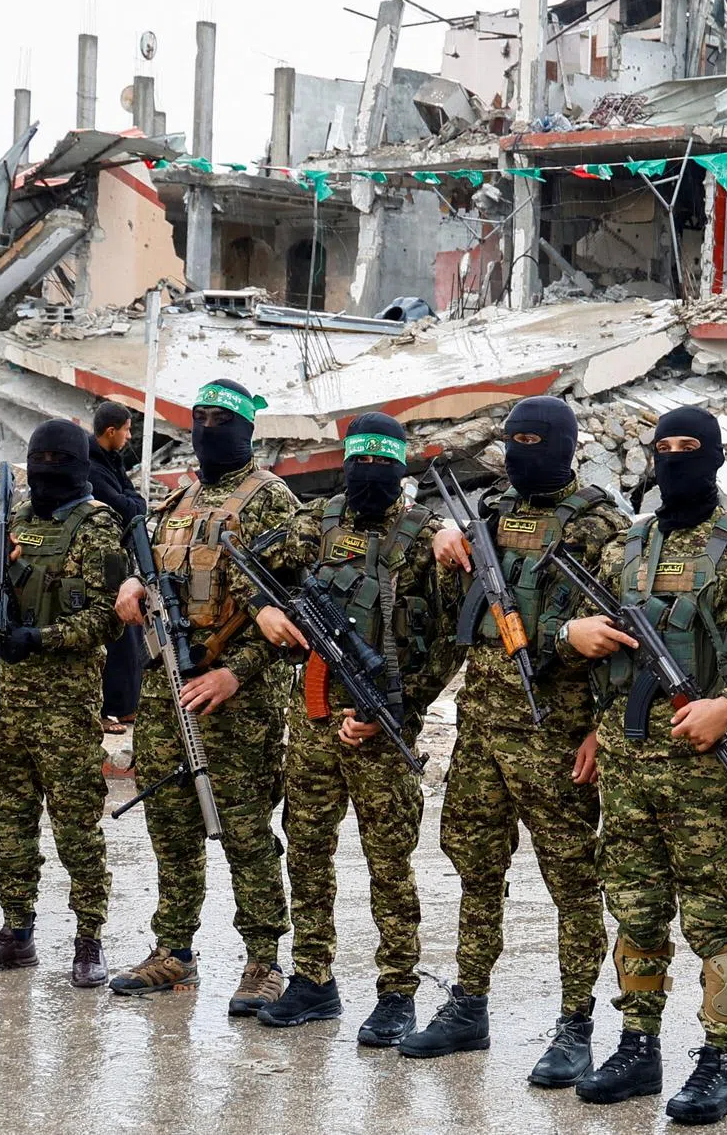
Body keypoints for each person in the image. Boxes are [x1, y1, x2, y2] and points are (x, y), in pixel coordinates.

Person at [558, 406, 727, 1125]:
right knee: (634, 903)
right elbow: (574, 635)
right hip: (625, 759)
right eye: (664, 448)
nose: (675, 458)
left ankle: (721, 1058)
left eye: (690, 447)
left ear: (714, 455)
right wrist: (575, 637)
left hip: (700, 758)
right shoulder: (627, 545)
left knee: (715, 912)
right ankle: (638, 1041)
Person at [403, 395, 628, 1088]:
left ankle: (576, 1024)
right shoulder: (493, 515)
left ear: (563, 444)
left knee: (572, 882)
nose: (523, 450)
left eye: (536, 439)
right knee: (475, 868)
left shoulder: (600, 526)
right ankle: (469, 1003)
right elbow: (448, 618)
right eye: (514, 439)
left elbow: (629, 642)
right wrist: (441, 546)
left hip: (557, 735)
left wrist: (602, 728)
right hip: (483, 730)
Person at [241, 413, 460, 1043]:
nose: (366, 474)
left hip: (381, 719)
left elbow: (448, 642)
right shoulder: (317, 522)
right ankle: (314, 979)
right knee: (307, 850)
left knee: (388, 860)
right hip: (311, 718)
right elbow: (245, 562)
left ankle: (397, 991)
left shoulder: (423, 535)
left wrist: (402, 709)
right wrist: (264, 610)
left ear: (400, 467)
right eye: (356, 460)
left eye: (379, 463)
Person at [108, 379, 296, 1016]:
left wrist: (234, 673)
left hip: (236, 701)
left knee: (245, 832)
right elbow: (160, 565)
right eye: (200, 419)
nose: (208, 430)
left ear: (245, 431)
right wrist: (134, 582)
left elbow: (292, 610)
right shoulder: (182, 499)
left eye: (222, 421)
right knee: (173, 828)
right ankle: (175, 952)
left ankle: (264, 961)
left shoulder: (271, 501)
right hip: (168, 692)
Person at [0, 420, 126, 988]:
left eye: (55, 459)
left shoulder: (99, 527)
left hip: (66, 707)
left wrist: (41, 639)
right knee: (10, 822)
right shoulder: (11, 525)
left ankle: (88, 938)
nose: (45, 469)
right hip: (7, 704)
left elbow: (109, 621)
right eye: (36, 458)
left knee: (76, 829)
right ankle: (16, 931)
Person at [88, 401, 147, 734]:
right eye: (125, 429)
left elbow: (132, 500)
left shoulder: (111, 460)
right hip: (101, 562)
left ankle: (124, 706)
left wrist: (133, 502)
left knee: (128, 632)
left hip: (122, 560)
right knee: (108, 634)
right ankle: (105, 710)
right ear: (110, 432)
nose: (128, 436)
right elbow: (126, 506)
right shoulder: (92, 468)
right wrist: (133, 503)